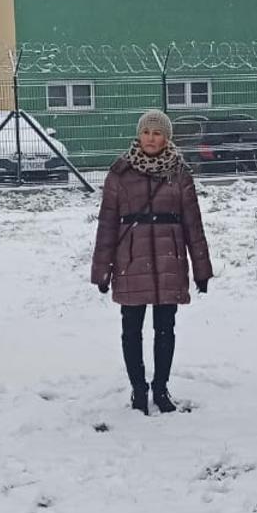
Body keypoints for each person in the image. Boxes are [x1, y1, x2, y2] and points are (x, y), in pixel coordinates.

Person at [91, 110, 212, 414]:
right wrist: (101, 270)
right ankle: (138, 388)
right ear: (139, 135)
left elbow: (193, 225)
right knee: (131, 329)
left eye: (157, 133)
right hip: (131, 261)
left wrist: (201, 269)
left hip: (169, 261)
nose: (151, 138)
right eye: (146, 132)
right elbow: (107, 224)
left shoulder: (179, 173)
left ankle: (160, 388)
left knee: (165, 329)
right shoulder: (120, 173)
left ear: (167, 137)